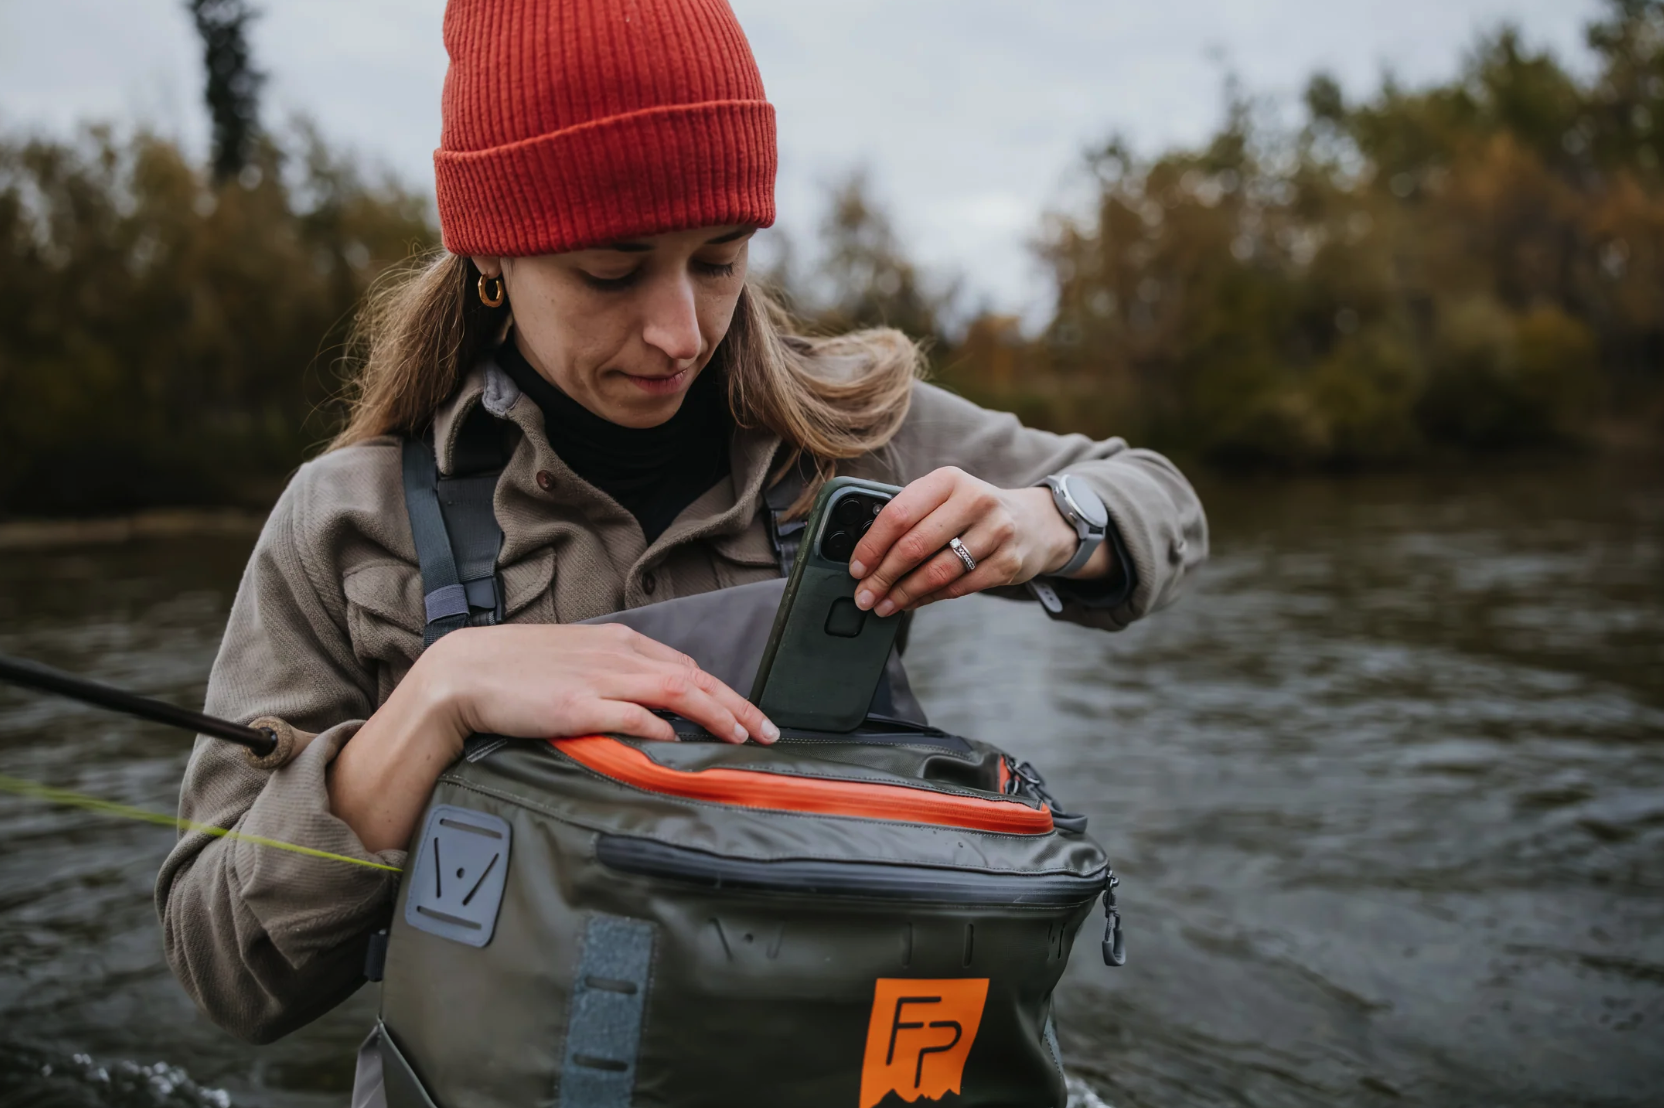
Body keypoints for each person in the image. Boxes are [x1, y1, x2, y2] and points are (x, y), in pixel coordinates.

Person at [157, 0, 1208, 1046]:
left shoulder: (855, 429)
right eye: (612, 272)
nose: (679, 332)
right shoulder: (342, 521)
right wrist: (431, 705)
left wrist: (1052, 519)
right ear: (491, 253)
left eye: (718, 258)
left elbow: (1161, 500)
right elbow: (225, 972)